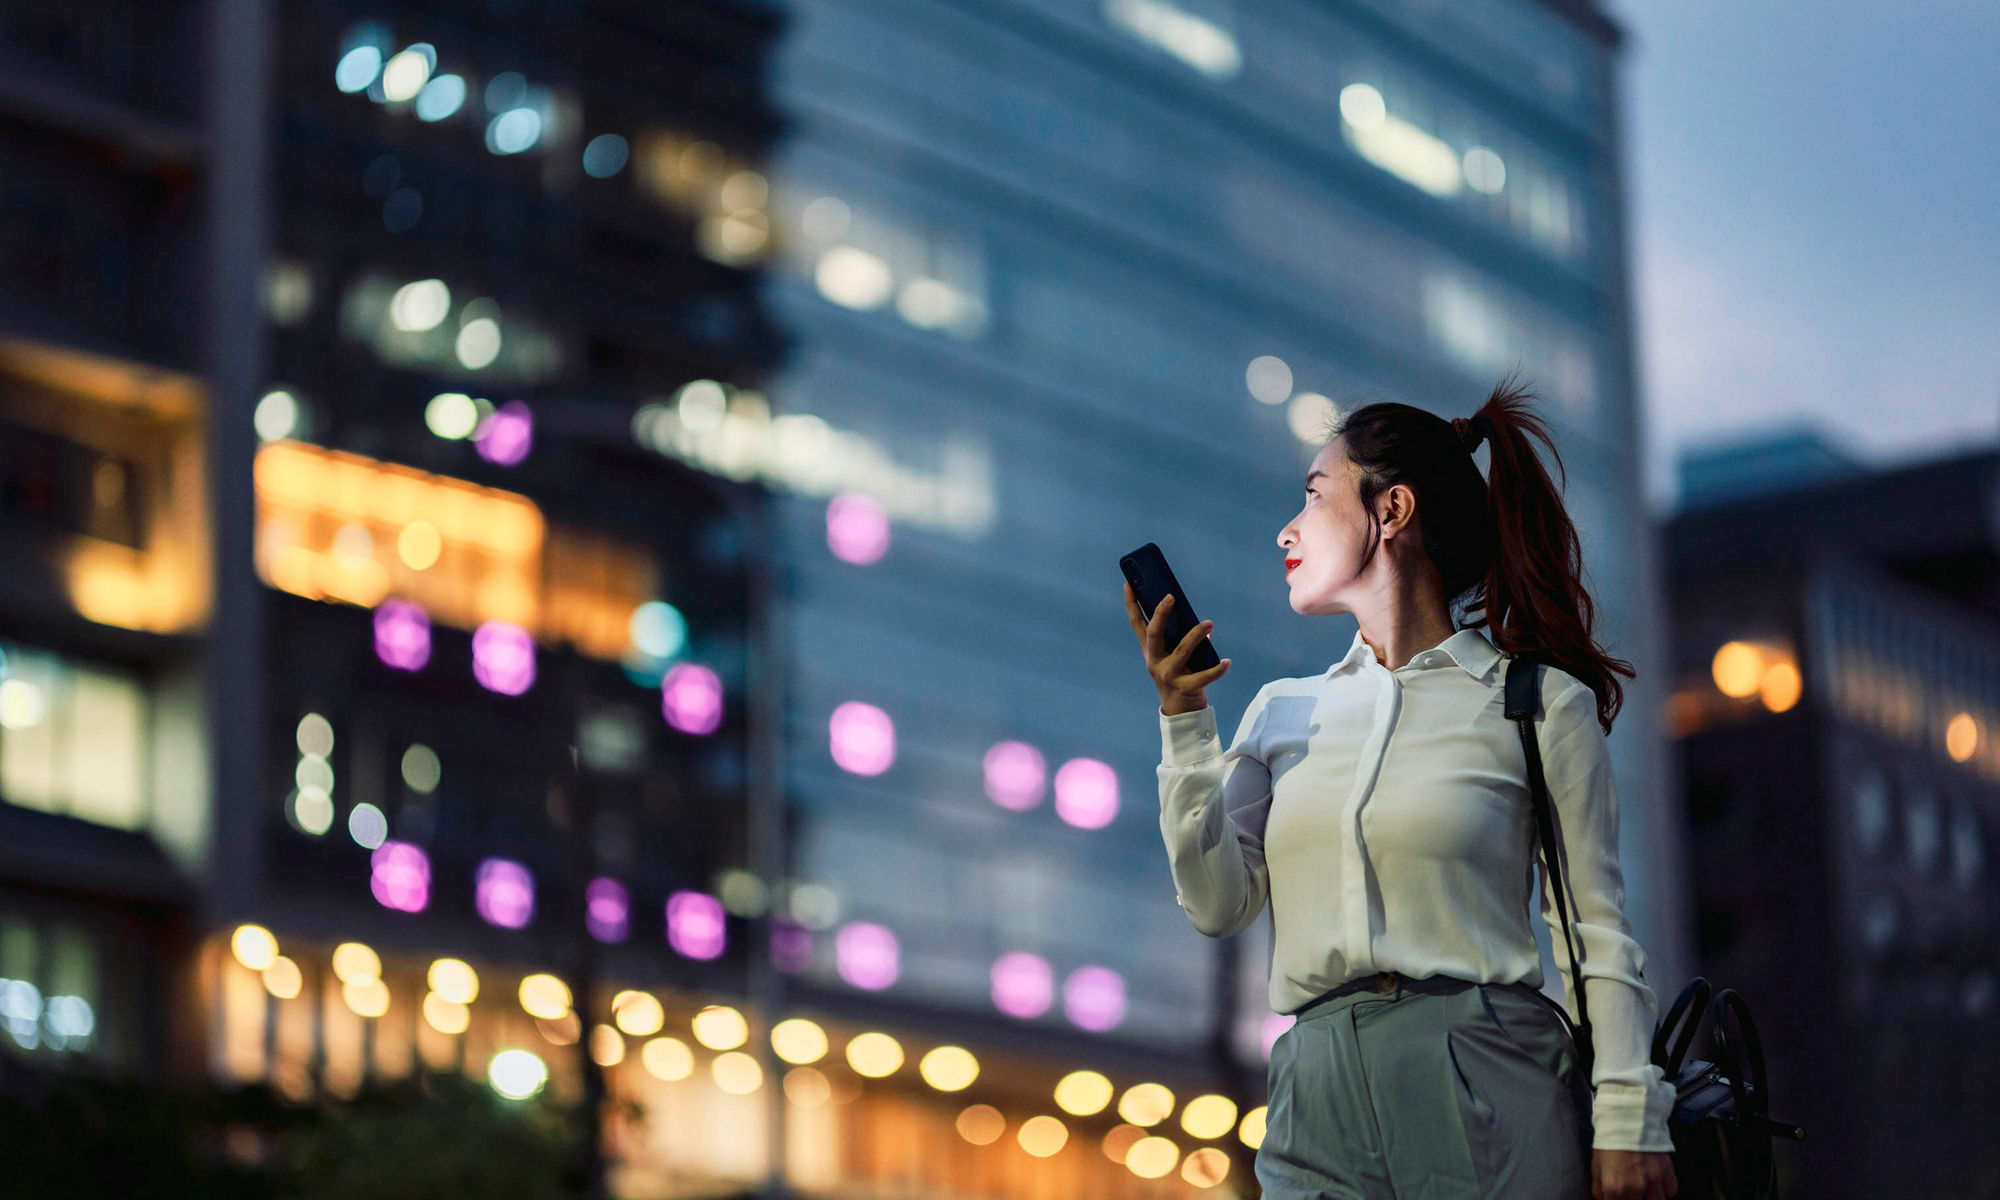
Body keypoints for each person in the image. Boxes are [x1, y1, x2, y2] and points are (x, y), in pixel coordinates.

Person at [1122, 379, 1679, 1200]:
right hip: (1312, 1088)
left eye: (1314, 497)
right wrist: (1185, 720)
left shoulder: (1533, 702)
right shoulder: (1284, 712)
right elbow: (1216, 905)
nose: (1288, 527)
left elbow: (1594, 926)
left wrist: (1630, 1118)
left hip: (1486, 1071)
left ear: (1392, 511)